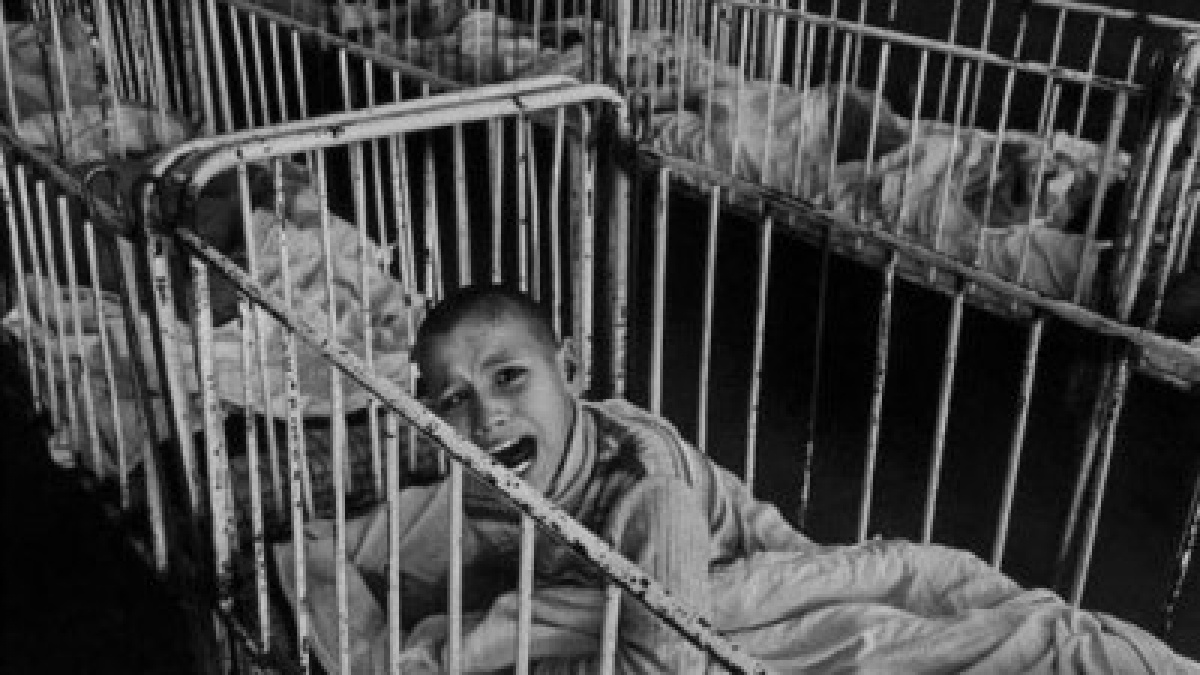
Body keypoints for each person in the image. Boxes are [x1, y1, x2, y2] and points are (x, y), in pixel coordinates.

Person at [275, 283, 1199, 674]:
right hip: (666, 582)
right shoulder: (492, 477)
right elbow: (334, 548)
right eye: (452, 402)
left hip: (741, 582)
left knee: (955, 631)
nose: (485, 418)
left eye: (509, 377)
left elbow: (668, 658)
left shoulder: (647, 487)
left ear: (574, 371)